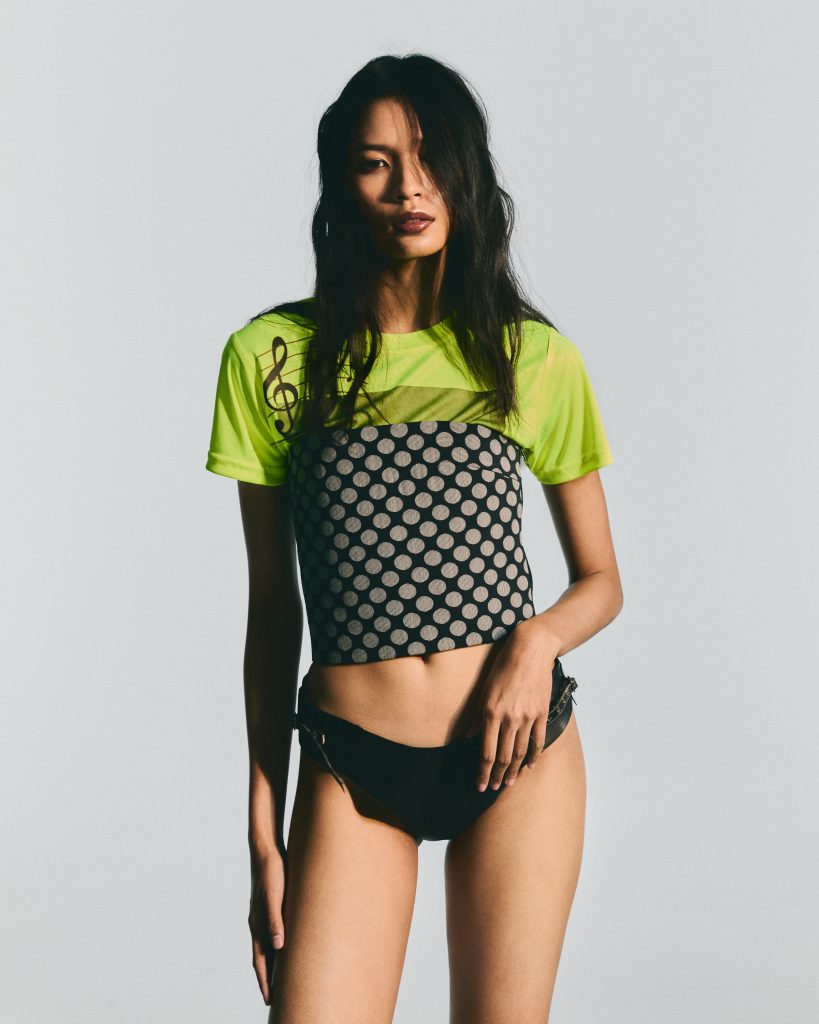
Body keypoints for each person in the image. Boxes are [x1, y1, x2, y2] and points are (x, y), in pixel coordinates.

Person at [205, 53, 622, 1024]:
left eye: (430, 158)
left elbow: (601, 579)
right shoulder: (270, 359)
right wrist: (263, 828)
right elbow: (273, 610)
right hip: (351, 763)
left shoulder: (530, 356)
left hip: (516, 755)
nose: (409, 188)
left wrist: (536, 642)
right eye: (376, 163)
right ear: (340, 185)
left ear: (467, 171)